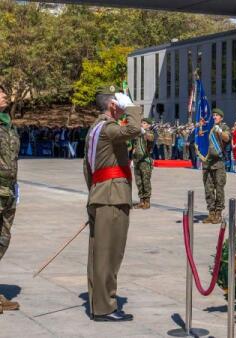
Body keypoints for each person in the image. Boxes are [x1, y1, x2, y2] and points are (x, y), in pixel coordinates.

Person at [83, 86, 141, 321]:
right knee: (109, 254)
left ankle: (99, 303)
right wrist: (132, 107)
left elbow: (87, 168)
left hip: (101, 194)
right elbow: (136, 129)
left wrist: (94, 194)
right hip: (112, 197)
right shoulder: (108, 128)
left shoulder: (94, 129)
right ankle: (105, 307)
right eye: (120, 104)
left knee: (98, 254)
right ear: (113, 105)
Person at [0, 84, 21, 313]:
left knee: (3, 239)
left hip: (9, 191)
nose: (5, 94)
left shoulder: (8, 125)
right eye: (1, 92)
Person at [202, 108, 230, 224]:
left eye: (217, 115)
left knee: (219, 188)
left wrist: (220, 132)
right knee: (208, 189)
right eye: (213, 115)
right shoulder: (210, 128)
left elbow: (227, 138)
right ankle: (211, 212)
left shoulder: (223, 127)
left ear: (221, 117)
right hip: (208, 162)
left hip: (218, 163)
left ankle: (218, 213)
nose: (214, 117)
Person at [132, 118, 155, 209]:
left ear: (149, 125)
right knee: (139, 181)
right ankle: (141, 200)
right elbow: (134, 145)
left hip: (145, 161)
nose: (142, 124)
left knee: (145, 181)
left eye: (144, 123)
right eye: (141, 123)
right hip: (137, 160)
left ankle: (147, 201)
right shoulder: (138, 134)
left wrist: (143, 132)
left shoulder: (150, 133)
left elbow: (151, 138)